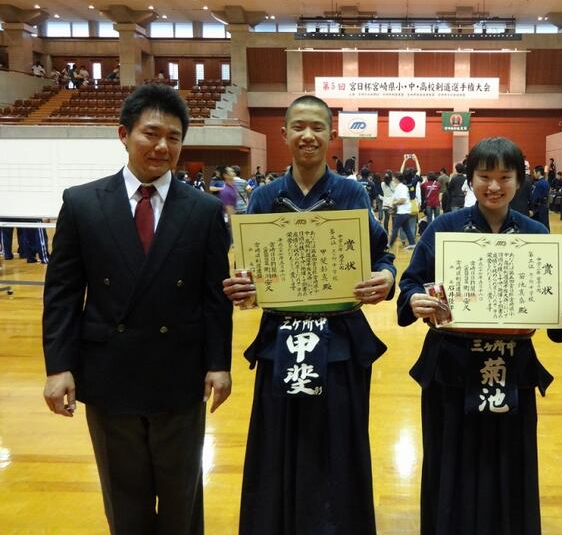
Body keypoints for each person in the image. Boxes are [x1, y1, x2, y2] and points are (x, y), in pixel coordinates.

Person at [42, 83, 233, 534]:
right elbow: (63, 293)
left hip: (180, 373)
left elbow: (214, 297)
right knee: (124, 502)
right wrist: (59, 366)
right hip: (109, 373)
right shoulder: (82, 203)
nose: (162, 146)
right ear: (123, 134)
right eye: (151, 133)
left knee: (182, 498)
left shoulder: (204, 210)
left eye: (174, 137)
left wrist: (219, 364)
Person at [221, 95, 396, 535]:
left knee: (338, 443)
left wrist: (387, 277)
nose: (308, 135)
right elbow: (248, 269)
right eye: (298, 126)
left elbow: (383, 254)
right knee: (278, 443)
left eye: (317, 127)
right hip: (280, 341)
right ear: (283, 134)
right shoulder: (264, 197)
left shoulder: (351, 193)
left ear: (331, 135)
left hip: (340, 342)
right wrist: (243, 287)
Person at [397, 137, 562, 535]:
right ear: (470, 179)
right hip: (451, 368)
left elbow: (556, 310)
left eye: (504, 177)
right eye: (484, 176)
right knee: (450, 461)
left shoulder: (535, 233)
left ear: (519, 181)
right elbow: (409, 285)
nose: (494, 186)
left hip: (512, 366)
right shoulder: (443, 228)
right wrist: (414, 299)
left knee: (510, 464)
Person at [389, 171, 417, 250]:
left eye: (394, 178)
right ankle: (412, 243)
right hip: (404, 211)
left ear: (397, 179)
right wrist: (392, 206)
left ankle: (389, 245)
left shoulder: (401, 187)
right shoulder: (399, 187)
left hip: (403, 212)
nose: (393, 179)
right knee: (406, 228)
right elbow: (396, 198)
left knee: (395, 228)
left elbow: (403, 200)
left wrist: (394, 204)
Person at [530, 165, 550, 230]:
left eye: (534, 172)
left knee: (539, 226)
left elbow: (534, 197)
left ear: (538, 172)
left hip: (539, 208)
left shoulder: (538, 184)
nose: (533, 174)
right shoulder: (546, 182)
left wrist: (531, 208)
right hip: (545, 206)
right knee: (545, 224)